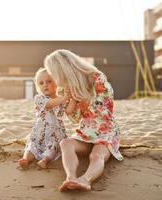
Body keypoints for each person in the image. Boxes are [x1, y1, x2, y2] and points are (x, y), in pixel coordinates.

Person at [44, 49, 123, 191]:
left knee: (96, 154)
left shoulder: (97, 77)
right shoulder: (64, 89)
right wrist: (71, 99)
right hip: (85, 131)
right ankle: (71, 178)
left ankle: (86, 180)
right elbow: (74, 118)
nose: (54, 77)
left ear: (63, 69)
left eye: (54, 72)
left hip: (106, 130)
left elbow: (105, 111)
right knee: (65, 143)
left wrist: (81, 95)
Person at [19, 68, 68, 169]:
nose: (45, 84)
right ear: (38, 87)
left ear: (56, 84)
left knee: (52, 149)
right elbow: (50, 104)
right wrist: (64, 98)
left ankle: (45, 160)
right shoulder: (39, 98)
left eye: (49, 81)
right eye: (41, 83)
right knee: (32, 147)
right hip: (40, 133)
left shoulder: (60, 98)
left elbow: (68, 110)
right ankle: (26, 159)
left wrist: (72, 98)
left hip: (55, 134)